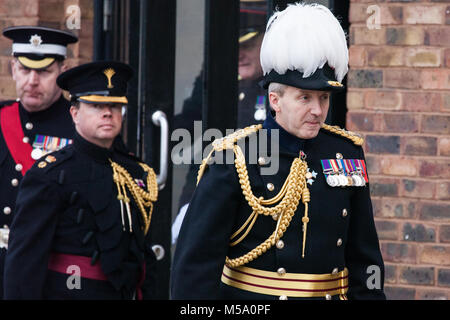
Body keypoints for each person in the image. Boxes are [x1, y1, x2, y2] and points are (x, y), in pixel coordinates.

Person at [171, 3, 386, 300]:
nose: (317, 110)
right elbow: (195, 266)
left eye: (323, 98)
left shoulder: (346, 152)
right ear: (275, 100)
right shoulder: (233, 157)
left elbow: (365, 260)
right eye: (304, 98)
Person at [4, 61, 159, 299]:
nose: (108, 113)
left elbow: (143, 255)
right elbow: (25, 263)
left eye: (115, 106)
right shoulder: (50, 175)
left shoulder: (135, 172)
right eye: (97, 106)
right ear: (74, 113)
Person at [171, 1, 268, 244]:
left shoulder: (275, 88)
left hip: (256, 202)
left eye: (248, 44)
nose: (240, 54)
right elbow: (187, 124)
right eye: (235, 46)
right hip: (203, 192)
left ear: (266, 44)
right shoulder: (215, 77)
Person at [0, 26, 78, 299]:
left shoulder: (80, 128)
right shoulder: (1, 118)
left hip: (50, 272)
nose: (32, 80)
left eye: (44, 72)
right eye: (24, 69)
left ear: (62, 71)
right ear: (12, 67)